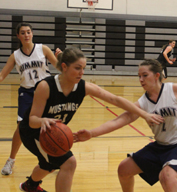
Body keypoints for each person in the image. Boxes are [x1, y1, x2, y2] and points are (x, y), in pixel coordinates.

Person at [18, 48, 163, 192]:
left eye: (83, 68)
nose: (82, 72)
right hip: (33, 132)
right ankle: (30, 185)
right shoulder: (46, 86)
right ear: (64, 67)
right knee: (68, 163)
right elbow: (32, 119)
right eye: (77, 68)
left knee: (48, 165)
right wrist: (43, 120)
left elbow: (115, 99)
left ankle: (29, 186)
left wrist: (144, 114)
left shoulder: (83, 87)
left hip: (52, 132)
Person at [74, 59, 177, 192]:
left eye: (145, 75)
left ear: (157, 76)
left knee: (166, 176)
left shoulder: (174, 89)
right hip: (162, 146)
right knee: (124, 169)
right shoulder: (143, 102)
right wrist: (91, 133)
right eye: (139, 76)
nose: (141, 79)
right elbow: (117, 121)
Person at [0, 22, 61, 175]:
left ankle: (56, 158)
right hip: (27, 93)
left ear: (32, 33)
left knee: (52, 126)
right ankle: (11, 160)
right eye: (22, 33)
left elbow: (61, 68)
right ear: (18, 36)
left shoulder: (43, 49)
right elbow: (1, 76)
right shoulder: (15, 56)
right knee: (21, 127)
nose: (26, 35)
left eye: (28, 32)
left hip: (47, 90)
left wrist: (61, 57)